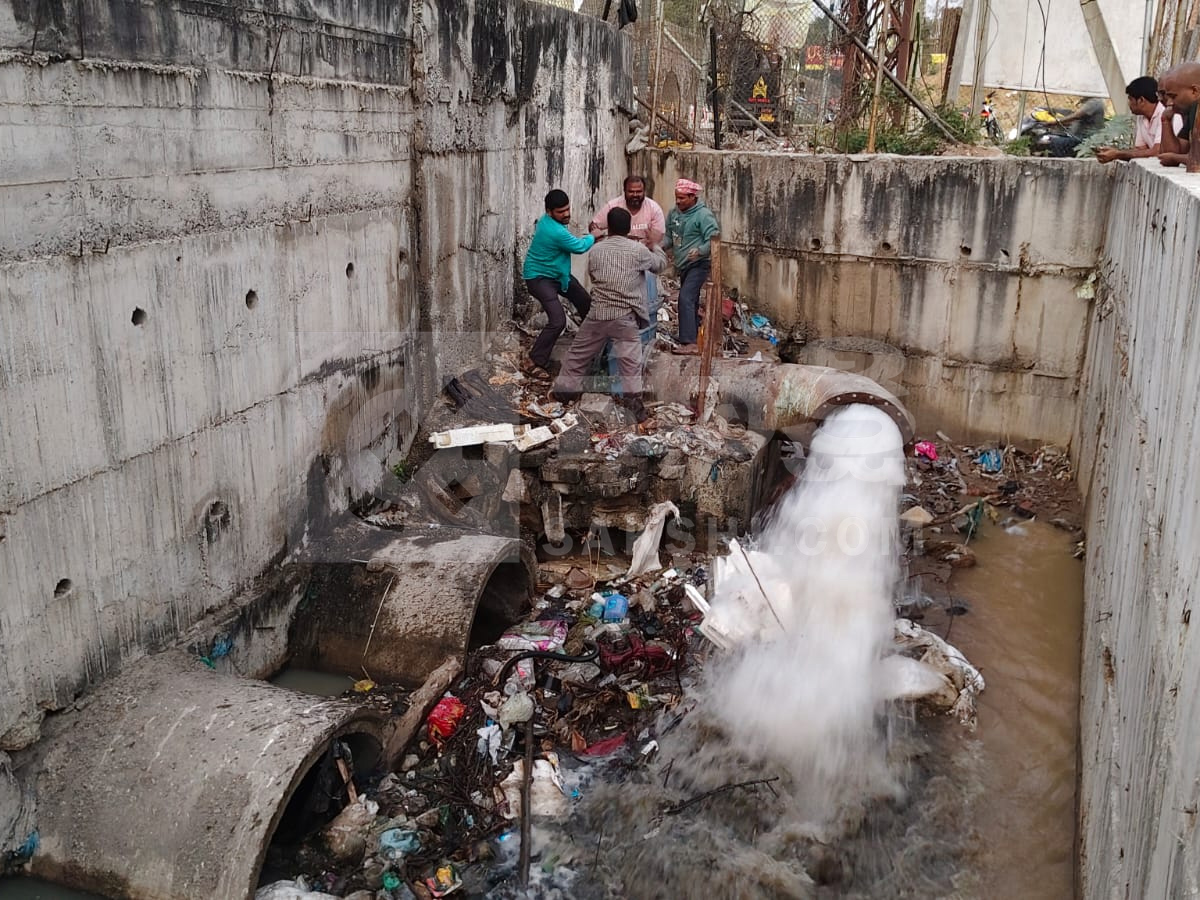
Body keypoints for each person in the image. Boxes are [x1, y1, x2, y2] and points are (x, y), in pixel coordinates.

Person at [551, 207, 667, 425]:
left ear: (609, 227)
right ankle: (635, 407)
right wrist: (655, 247)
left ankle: (563, 393)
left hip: (598, 313)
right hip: (625, 316)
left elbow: (593, 274)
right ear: (629, 228)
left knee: (578, 354)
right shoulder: (638, 250)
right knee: (630, 363)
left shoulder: (596, 250)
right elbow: (659, 266)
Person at [521, 189, 594, 378]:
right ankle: (533, 360)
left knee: (585, 302)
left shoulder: (551, 222)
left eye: (568, 209)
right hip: (539, 278)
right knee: (558, 321)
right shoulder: (553, 230)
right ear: (549, 212)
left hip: (558, 275)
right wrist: (593, 235)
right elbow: (579, 247)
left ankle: (592, 339)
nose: (566, 214)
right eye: (561, 212)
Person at [589, 175, 666, 347]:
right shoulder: (613, 206)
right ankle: (618, 346)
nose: (635, 195)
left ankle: (644, 342)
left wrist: (648, 244)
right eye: (631, 192)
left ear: (644, 191)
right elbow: (594, 225)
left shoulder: (653, 209)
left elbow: (656, 238)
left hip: (642, 259)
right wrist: (602, 239)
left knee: (645, 305)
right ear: (624, 192)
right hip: (617, 260)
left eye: (639, 191)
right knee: (620, 308)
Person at [663, 178, 720, 355]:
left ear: (692, 197)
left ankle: (690, 342)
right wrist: (656, 246)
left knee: (685, 298)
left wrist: (700, 251)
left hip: (698, 264)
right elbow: (669, 238)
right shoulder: (674, 214)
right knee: (691, 300)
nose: (678, 201)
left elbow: (714, 237)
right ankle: (695, 337)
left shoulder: (703, 215)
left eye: (682, 198)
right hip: (683, 265)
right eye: (676, 198)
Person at [1096, 76, 1178, 163]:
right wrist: (1115, 153)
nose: (1129, 103)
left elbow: (1157, 151)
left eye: (1130, 99)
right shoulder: (1141, 117)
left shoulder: (1165, 113)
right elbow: (1140, 149)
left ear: (1141, 100)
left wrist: (1117, 154)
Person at [1158, 62, 1200, 168]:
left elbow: (1173, 156)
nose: (1169, 103)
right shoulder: (1193, 111)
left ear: (1195, 91)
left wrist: (1175, 158)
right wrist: (1166, 121)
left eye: (1173, 96)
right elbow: (1171, 153)